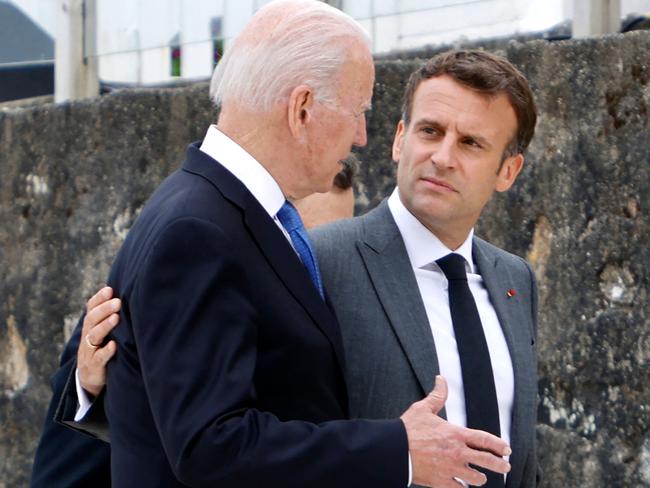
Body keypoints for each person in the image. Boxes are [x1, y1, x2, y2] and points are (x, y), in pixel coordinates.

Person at [37, 2, 512, 487]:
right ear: (302, 108)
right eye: (358, 112)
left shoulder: (216, 210)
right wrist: (400, 449)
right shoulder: (198, 229)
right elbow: (211, 448)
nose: (362, 136)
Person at [29, 161, 357, 488]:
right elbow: (60, 475)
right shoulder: (137, 301)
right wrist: (90, 389)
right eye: (304, 241)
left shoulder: (348, 307)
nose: (315, 261)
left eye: (336, 241)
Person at [311, 50, 539, 487]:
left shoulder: (516, 279)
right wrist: (396, 452)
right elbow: (284, 438)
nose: (442, 156)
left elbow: (522, 452)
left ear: (508, 171)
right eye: (430, 131)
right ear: (400, 139)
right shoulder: (323, 259)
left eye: (471, 143)